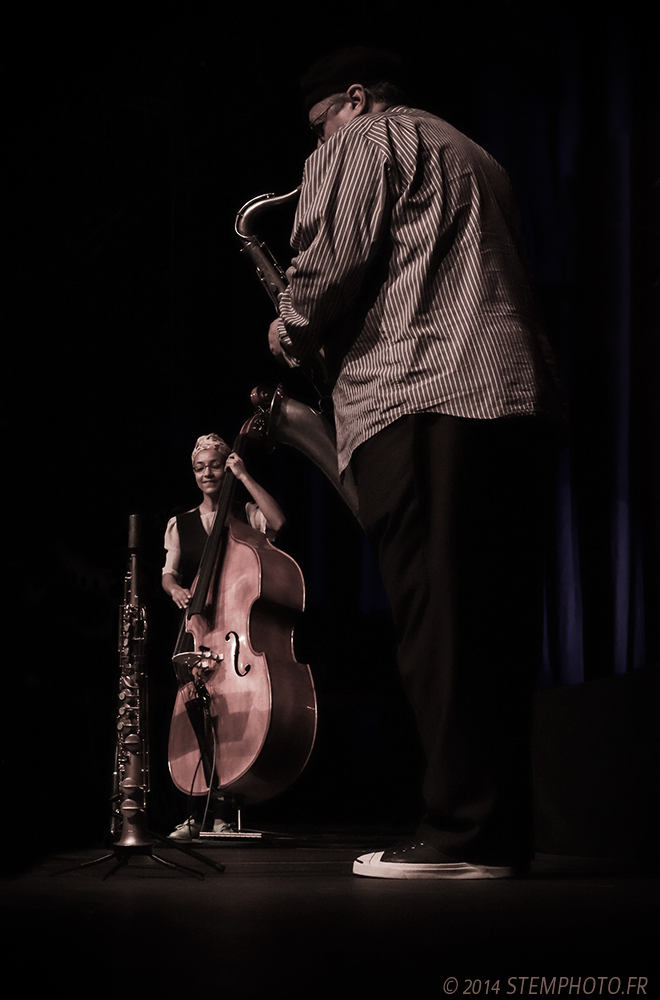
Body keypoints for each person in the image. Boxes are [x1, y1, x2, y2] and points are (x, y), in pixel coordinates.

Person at [268, 47, 566, 878]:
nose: (318, 146)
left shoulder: (367, 141)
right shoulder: (477, 152)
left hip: (425, 392)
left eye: (322, 124)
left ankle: (456, 837)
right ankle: (496, 834)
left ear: (355, 99)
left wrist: (288, 321)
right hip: (513, 395)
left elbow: (327, 264)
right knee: (492, 629)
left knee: (436, 624)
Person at [162, 432, 286, 838]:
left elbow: (279, 522)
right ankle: (195, 811)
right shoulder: (180, 523)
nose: (207, 473)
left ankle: (223, 808)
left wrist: (243, 474)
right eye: (200, 468)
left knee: (229, 723)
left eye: (215, 465)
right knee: (194, 721)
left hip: (233, 637)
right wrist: (176, 589)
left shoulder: (245, 514)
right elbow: (169, 573)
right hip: (197, 632)